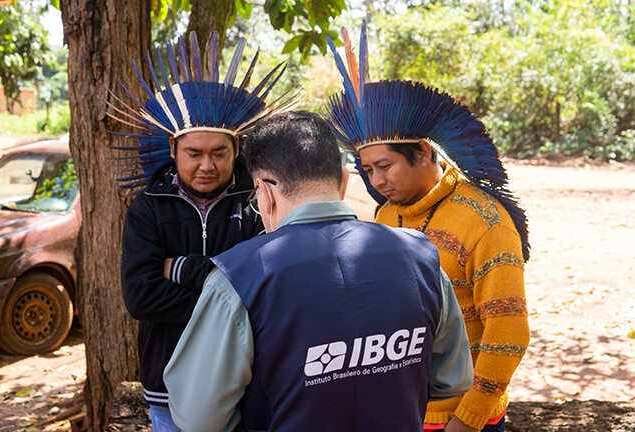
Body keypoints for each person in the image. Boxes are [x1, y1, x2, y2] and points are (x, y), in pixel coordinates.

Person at [163, 111, 473, 432]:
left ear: (263, 191)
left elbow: (197, 417)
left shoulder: (240, 276)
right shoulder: (421, 258)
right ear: (343, 180)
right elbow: (452, 379)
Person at [323, 25, 530, 432]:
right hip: (398, 412)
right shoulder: (386, 214)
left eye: (385, 166)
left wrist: (467, 420)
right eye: (368, 170)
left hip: (462, 420)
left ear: (423, 152)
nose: (377, 181)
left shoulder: (485, 223)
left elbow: (509, 332)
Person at [110, 31, 293, 431]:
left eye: (219, 153)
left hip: (250, 383)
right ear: (174, 149)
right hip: (169, 387)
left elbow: (270, 291)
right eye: (194, 153)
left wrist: (181, 270)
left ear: (237, 150)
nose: (206, 165)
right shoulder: (148, 208)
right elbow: (141, 297)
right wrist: (230, 295)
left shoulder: (259, 204)